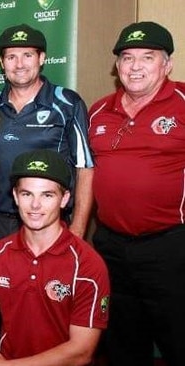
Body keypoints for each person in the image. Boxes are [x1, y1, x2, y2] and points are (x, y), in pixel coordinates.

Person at [88, 21, 185, 365]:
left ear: (167, 64)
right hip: (111, 245)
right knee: (122, 342)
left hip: (170, 245)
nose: (136, 66)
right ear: (117, 66)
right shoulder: (98, 110)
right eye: (127, 58)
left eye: (148, 57)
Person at [0, 149, 110, 366]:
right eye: (27, 194)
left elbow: (81, 352)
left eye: (47, 195)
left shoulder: (87, 265)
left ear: (64, 199)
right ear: (16, 196)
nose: (35, 205)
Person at [0, 24, 94, 261]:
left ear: (42, 58)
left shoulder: (67, 104)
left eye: (27, 55)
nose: (19, 64)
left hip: (48, 223)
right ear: (1, 62)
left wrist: (78, 231)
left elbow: (85, 169)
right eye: (11, 57)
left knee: (44, 296)